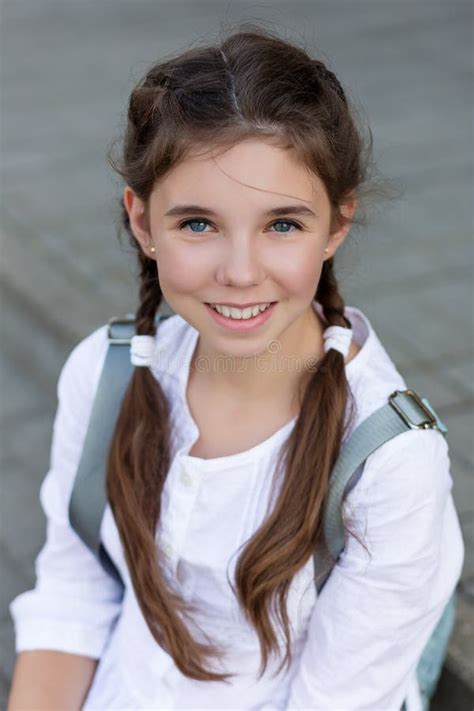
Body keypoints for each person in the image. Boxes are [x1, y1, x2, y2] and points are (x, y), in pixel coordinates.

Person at [7, 23, 464, 711]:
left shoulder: (387, 463)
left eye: (282, 224)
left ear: (337, 225)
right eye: (198, 223)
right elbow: (77, 591)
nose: (241, 272)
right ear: (142, 223)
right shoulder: (103, 378)